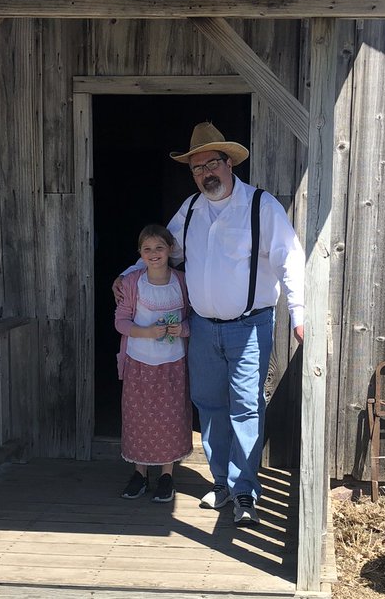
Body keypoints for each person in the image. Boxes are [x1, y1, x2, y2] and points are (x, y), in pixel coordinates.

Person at [114, 123, 305, 526]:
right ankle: (221, 484)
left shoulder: (260, 206)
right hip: (201, 327)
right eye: (197, 168)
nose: (205, 174)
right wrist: (129, 274)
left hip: (250, 326)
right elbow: (163, 250)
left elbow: (289, 259)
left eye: (212, 164)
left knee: (246, 407)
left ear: (229, 162)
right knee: (210, 406)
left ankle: (245, 492)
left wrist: (301, 314)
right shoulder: (191, 209)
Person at [115, 224, 192, 502]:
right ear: (140, 254)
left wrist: (181, 329)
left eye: (159, 247)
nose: (154, 253)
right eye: (147, 249)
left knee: (170, 416)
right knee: (139, 416)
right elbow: (120, 321)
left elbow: (195, 319)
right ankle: (139, 473)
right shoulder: (133, 282)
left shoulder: (182, 281)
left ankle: (167, 475)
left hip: (173, 362)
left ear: (171, 249)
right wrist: (146, 332)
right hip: (139, 361)